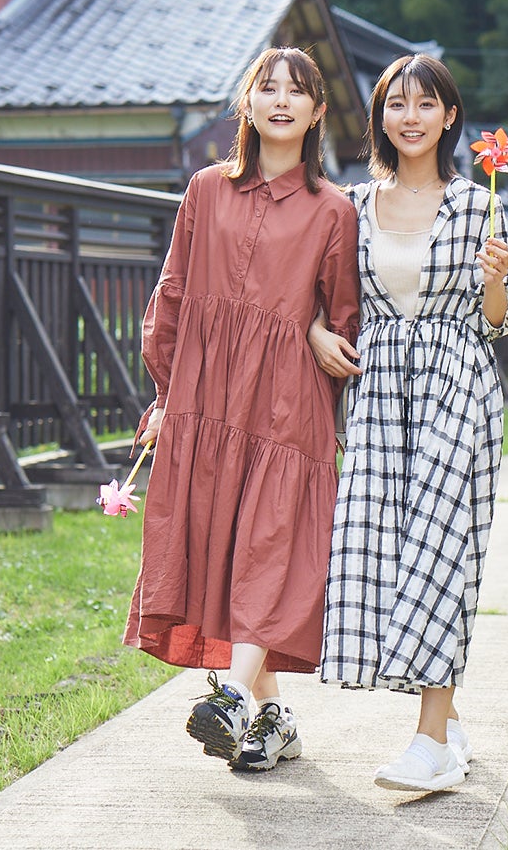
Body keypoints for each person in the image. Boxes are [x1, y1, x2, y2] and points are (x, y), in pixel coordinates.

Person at [125, 46, 361, 773]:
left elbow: (346, 321)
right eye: (268, 87)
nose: (282, 99)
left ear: (318, 112)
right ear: (247, 105)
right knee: (224, 556)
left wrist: (320, 330)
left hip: (287, 410)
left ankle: (229, 695)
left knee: (265, 549)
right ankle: (274, 718)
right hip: (205, 401)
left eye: (299, 90)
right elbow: (172, 293)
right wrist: (168, 395)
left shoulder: (335, 211)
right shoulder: (203, 190)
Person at [308, 53, 508, 792]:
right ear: (380, 117)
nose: (411, 116)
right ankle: (450, 721)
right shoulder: (348, 203)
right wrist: (314, 332)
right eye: (396, 104)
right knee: (384, 550)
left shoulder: (482, 205)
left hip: (455, 386)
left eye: (425, 104)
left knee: (443, 551)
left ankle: (429, 740)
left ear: (450, 117)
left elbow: (498, 322)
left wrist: (495, 279)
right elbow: (317, 295)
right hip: (377, 396)